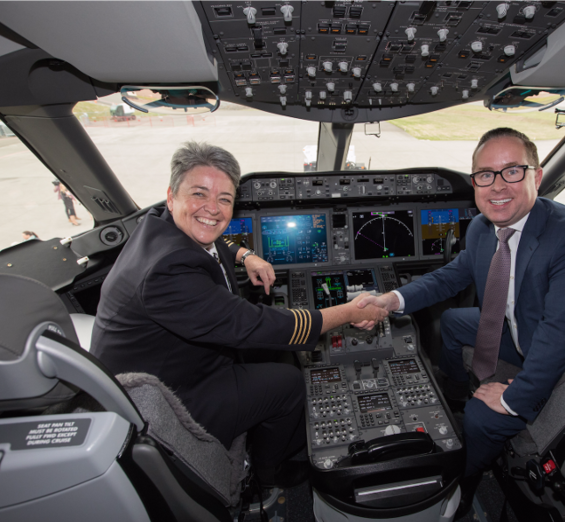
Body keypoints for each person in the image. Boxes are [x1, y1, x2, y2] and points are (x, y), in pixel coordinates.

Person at [91, 141, 388, 488]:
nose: (212, 209)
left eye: (224, 200)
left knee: (281, 354)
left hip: (163, 364)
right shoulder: (167, 273)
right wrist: (349, 312)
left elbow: (211, 236)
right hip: (167, 401)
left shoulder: (159, 225)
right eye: (199, 194)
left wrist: (245, 255)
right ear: (171, 196)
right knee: (290, 383)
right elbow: (259, 325)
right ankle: (264, 473)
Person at [356, 127, 565, 506]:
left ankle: (459, 489)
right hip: (521, 328)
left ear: (536, 176)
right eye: (485, 175)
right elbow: (452, 276)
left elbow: (561, 336)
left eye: (512, 171)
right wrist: (391, 300)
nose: (497, 186)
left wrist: (513, 397)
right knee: (455, 322)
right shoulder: (481, 228)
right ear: (475, 182)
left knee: (481, 418)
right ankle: (454, 394)